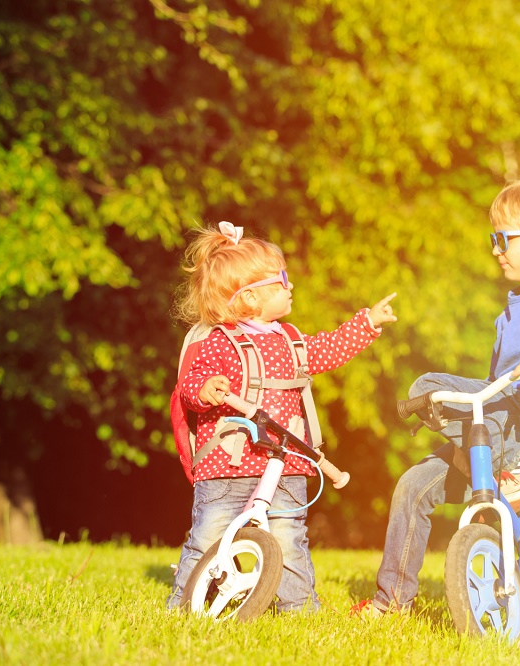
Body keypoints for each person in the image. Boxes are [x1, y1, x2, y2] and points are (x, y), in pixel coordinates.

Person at [353, 175, 520, 617]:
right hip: (501, 421)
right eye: (493, 237)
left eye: (504, 238)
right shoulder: (509, 311)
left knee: (442, 394)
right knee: (415, 470)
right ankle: (393, 602)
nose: (496, 247)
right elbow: (492, 383)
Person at [167, 221, 397, 612]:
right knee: (208, 536)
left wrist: (367, 324)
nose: (290, 285)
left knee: (289, 537)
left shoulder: (288, 340)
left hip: (286, 462)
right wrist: (205, 390)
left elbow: (327, 349)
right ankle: (184, 606)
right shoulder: (217, 341)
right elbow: (191, 383)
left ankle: (299, 609)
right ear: (251, 298)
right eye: (282, 280)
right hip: (227, 467)